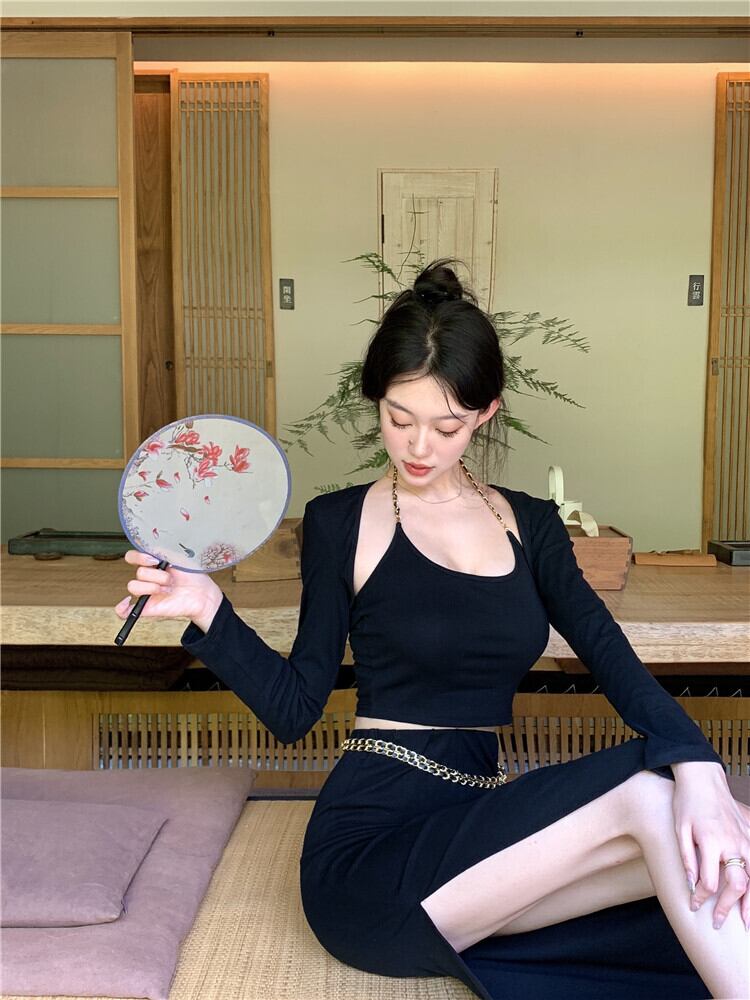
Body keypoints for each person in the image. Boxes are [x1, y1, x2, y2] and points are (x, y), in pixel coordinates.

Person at [115, 259, 750, 1000]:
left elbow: (611, 658)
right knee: (648, 793)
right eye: (398, 419)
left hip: (480, 818)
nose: (418, 447)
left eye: (446, 427)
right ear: (376, 403)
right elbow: (294, 710)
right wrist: (206, 609)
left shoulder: (531, 524)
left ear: (485, 413)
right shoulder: (339, 522)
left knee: (718, 825)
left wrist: (702, 771)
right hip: (370, 854)